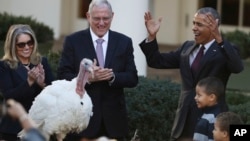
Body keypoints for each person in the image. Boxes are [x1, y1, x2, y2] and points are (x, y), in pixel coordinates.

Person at [139, 7, 244, 141]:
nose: (194, 28)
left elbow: (237, 67)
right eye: (194, 23)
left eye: (199, 24)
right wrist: (152, 37)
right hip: (184, 119)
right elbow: (157, 61)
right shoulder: (187, 47)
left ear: (214, 26)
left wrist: (219, 39)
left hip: (213, 121)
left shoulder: (226, 49)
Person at [57, 0, 138, 141]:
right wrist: (87, 78)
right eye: (96, 18)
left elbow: (132, 78)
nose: (101, 23)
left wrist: (112, 76)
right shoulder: (73, 41)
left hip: (113, 122)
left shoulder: (124, 42)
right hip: (81, 120)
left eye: (105, 18)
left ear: (112, 16)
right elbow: (63, 75)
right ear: (88, 16)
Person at [0, 24, 54, 141]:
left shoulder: (42, 62)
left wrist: (42, 84)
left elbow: (55, 94)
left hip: (39, 126)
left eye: (30, 43)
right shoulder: (4, 65)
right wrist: (29, 82)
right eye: (21, 44)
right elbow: (9, 97)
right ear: (12, 46)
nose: (27, 47)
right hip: (13, 128)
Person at [193, 77, 227, 141]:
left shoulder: (214, 118)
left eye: (199, 95)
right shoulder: (205, 114)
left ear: (211, 97)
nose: (195, 98)